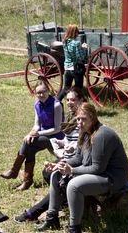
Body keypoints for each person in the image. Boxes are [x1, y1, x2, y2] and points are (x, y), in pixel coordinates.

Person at [38, 103, 128, 233]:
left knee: (75, 185)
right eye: (78, 119)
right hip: (99, 173)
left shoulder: (101, 135)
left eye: (83, 119)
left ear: (92, 118)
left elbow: (97, 168)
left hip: (111, 178)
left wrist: (72, 171)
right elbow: (78, 158)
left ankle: (75, 231)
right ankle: (52, 219)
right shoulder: (85, 132)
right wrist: (60, 164)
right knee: (56, 174)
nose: (79, 123)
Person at [14, 87, 86, 223]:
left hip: (81, 160)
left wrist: (70, 149)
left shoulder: (84, 116)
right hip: (71, 155)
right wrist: (62, 142)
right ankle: (63, 200)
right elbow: (71, 137)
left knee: (58, 178)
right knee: (47, 173)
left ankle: (34, 212)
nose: (70, 102)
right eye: (68, 99)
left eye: (73, 100)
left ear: (81, 100)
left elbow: (85, 143)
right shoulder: (72, 115)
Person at [0, 82, 64, 191]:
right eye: (38, 93)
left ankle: (14, 171)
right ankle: (27, 181)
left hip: (56, 138)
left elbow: (58, 128)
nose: (41, 95)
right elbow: (37, 125)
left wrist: (38, 134)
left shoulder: (56, 105)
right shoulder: (37, 104)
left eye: (43, 92)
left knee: (29, 142)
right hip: (43, 136)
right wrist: (31, 133)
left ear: (48, 91)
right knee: (29, 146)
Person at [56, 24, 88, 101]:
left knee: (66, 87)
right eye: (77, 31)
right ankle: (80, 106)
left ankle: (56, 102)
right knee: (78, 89)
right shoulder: (76, 43)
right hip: (76, 68)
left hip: (68, 67)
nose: (78, 33)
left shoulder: (65, 42)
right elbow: (80, 57)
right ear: (74, 32)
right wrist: (84, 49)